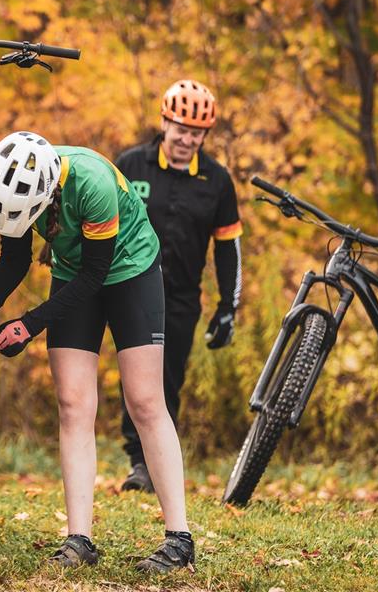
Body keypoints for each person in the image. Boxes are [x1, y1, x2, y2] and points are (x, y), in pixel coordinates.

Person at [0, 132, 194, 573]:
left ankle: (179, 540)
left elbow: (95, 274)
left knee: (144, 401)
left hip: (129, 271)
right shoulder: (19, 182)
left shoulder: (93, 183)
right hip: (72, 273)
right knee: (73, 404)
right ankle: (79, 539)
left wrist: (28, 324)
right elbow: (15, 259)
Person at [114, 79, 242, 493]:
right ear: (165, 123)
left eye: (196, 132)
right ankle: (139, 462)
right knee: (133, 378)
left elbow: (228, 249)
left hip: (181, 298)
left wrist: (228, 307)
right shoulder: (130, 166)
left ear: (205, 134)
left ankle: (154, 463)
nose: (187, 139)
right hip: (128, 287)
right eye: (181, 128)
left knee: (169, 379)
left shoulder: (217, 181)